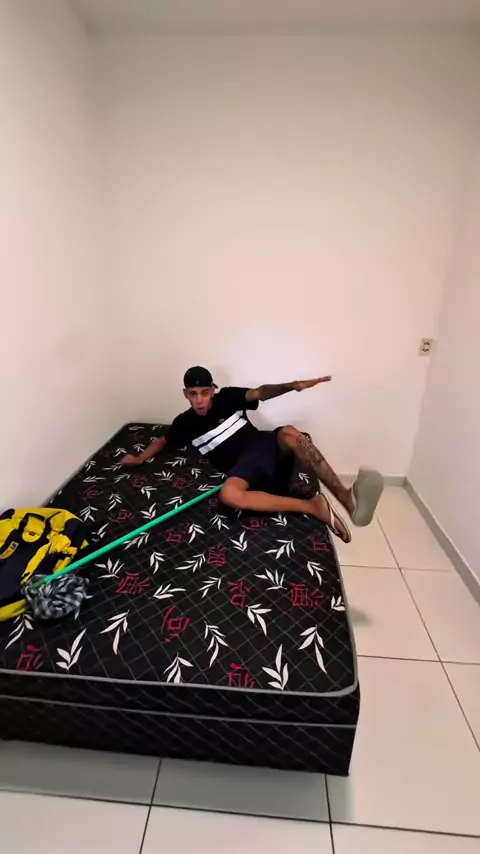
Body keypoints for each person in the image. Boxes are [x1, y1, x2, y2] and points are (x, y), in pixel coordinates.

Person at [121, 366, 384, 543]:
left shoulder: (227, 397)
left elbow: (260, 392)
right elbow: (163, 441)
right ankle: (312, 506)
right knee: (229, 494)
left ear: (213, 390)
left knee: (290, 433)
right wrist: (139, 459)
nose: (199, 400)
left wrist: (294, 386)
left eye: (205, 393)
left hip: (264, 447)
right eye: (193, 394)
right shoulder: (184, 423)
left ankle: (347, 498)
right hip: (244, 469)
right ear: (185, 394)